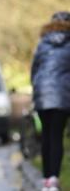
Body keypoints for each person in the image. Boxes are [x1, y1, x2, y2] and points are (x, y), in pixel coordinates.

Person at [30, 11, 70, 191]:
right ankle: (53, 178)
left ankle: (46, 179)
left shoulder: (42, 44)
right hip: (62, 96)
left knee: (46, 136)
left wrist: (37, 91)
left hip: (42, 96)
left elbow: (34, 70)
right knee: (57, 136)